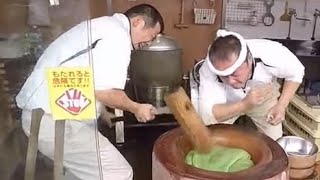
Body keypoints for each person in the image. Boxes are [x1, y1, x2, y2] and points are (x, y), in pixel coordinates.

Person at [16, 4, 164, 180]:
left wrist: (101, 113)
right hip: (53, 120)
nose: (149, 43)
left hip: (45, 116)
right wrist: (136, 107)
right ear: (138, 22)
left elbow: (84, 79)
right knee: (118, 173)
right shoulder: (117, 35)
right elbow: (106, 91)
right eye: (152, 35)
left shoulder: (104, 27)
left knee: (80, 175)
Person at [198, 29, 305, 140]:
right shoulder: (207, 69)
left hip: (264, 96)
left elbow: (296, 73)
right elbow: (209, 113)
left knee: (274, 142)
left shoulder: (271, 52)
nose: (230, 81)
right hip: (226, 103)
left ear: (249, 60)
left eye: (234, 74)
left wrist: (281, 106)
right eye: (224, 76)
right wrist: (244, 105)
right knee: (211, 137)